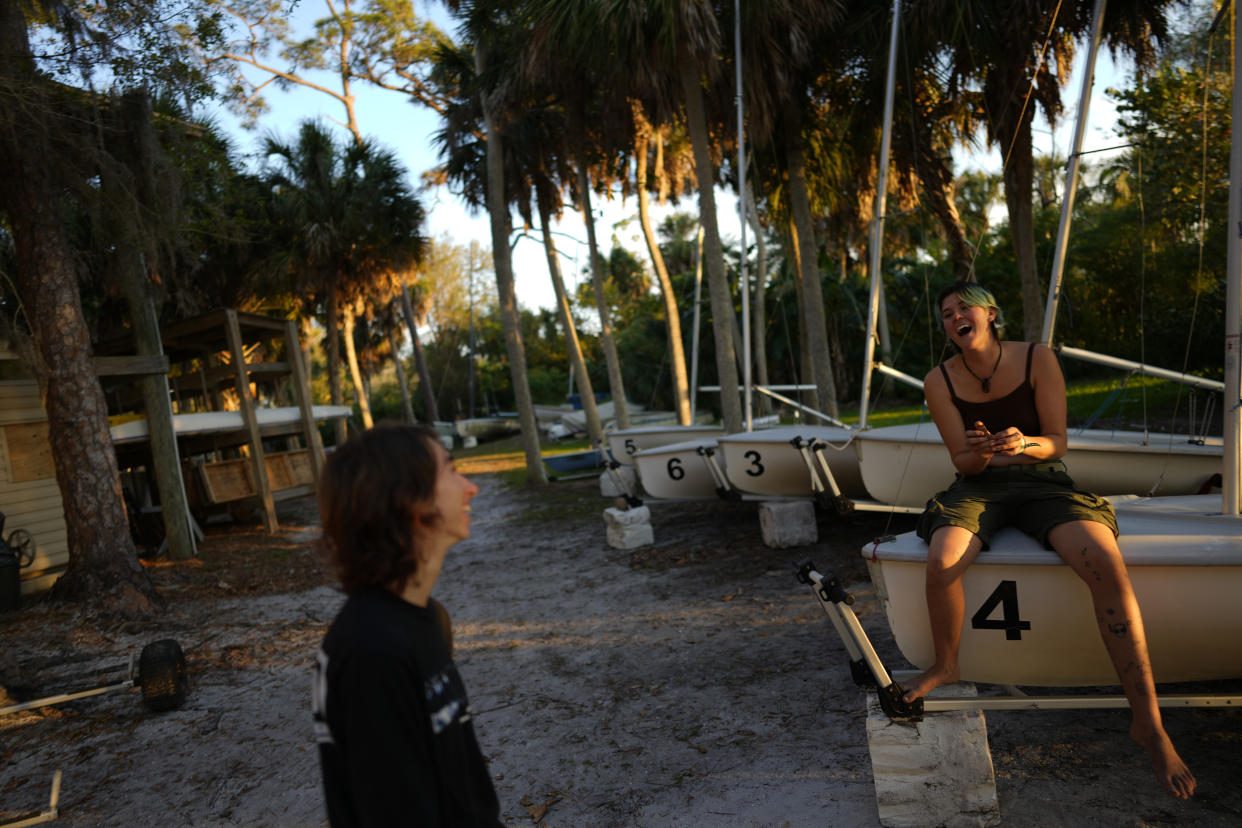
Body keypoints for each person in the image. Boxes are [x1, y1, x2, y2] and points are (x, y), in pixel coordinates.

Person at [905, 280, 1196, 800]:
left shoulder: (1038, 357)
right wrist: (985, 452)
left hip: (1045, 483)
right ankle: (946, 664)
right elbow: (963, 462)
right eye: (945, 314)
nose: (953, 318)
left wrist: (1023, 441)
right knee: (942, 558)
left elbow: (1058, 441)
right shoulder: (937, 380)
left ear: (990, 314)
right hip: (980, 487)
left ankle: (1148, 721)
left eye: (963, 308)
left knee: (1106, 563)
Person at [311, 424, 502, 826]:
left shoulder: (427, 618)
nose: (471, 488)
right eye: (450, 471)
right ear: (410, 501)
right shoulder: (371, 652)